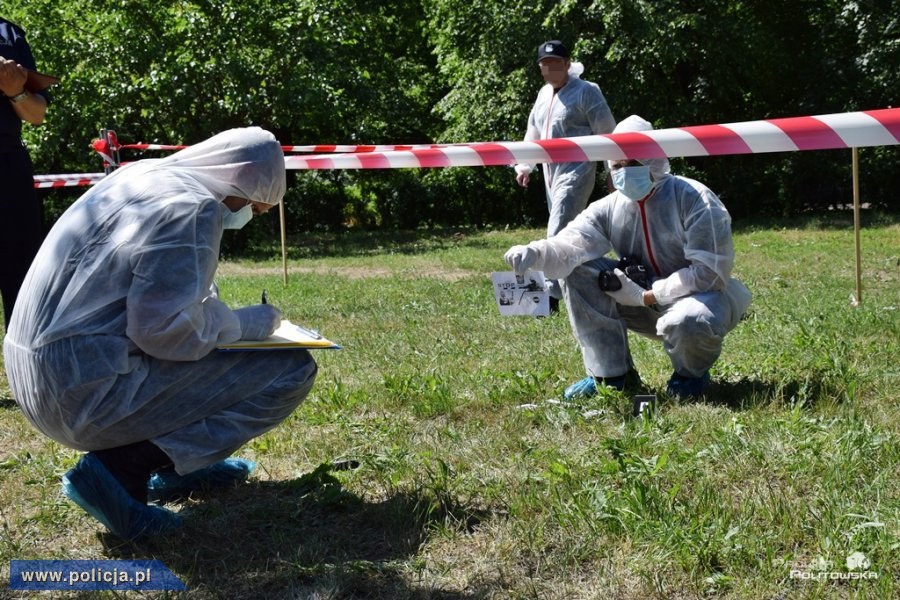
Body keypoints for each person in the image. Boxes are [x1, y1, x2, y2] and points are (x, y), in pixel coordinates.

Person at [3, 127, 318, 540]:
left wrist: (218, 323)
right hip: (84, 391)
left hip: (41, 378)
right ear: (240, 185)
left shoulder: (141, 177)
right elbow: (164, 333)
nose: (247, 218)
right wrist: (244, 325)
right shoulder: (192, 207)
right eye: (254, 208)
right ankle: (121, 469)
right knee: (292, 369)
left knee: (221, 354)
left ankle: (175, 465)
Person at [505, 115, 752, 400]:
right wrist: (536, 252)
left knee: (690, 320)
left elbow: (710, 273)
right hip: (636, 299)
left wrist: (648, 295)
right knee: (576, 268)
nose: (624, 172)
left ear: (654, 160)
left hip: (698, 299)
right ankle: (611, 376)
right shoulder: (610, 207)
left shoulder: (694, 198)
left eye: (632, 163)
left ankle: (689, 376)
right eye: (617, 166)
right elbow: (572, 243)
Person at [513, 40, 616, 312]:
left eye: (556, 63)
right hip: (551, 174)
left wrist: (613, 169)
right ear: (540, 68)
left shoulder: (587, 91)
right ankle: (587, 278)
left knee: (557, 227)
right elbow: (533, 132)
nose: (550, 68)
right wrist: (525, 166)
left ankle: (550, 297)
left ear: (568, 64)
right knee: (566, 230)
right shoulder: (543, 94)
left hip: (577, 171)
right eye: (545, 64)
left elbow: (608, 132)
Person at [0, 17, 49, 329]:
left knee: (22, 282)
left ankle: (22, 355)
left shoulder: (9, 34)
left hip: (7, 168)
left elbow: (37, 115)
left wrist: (15, 91)